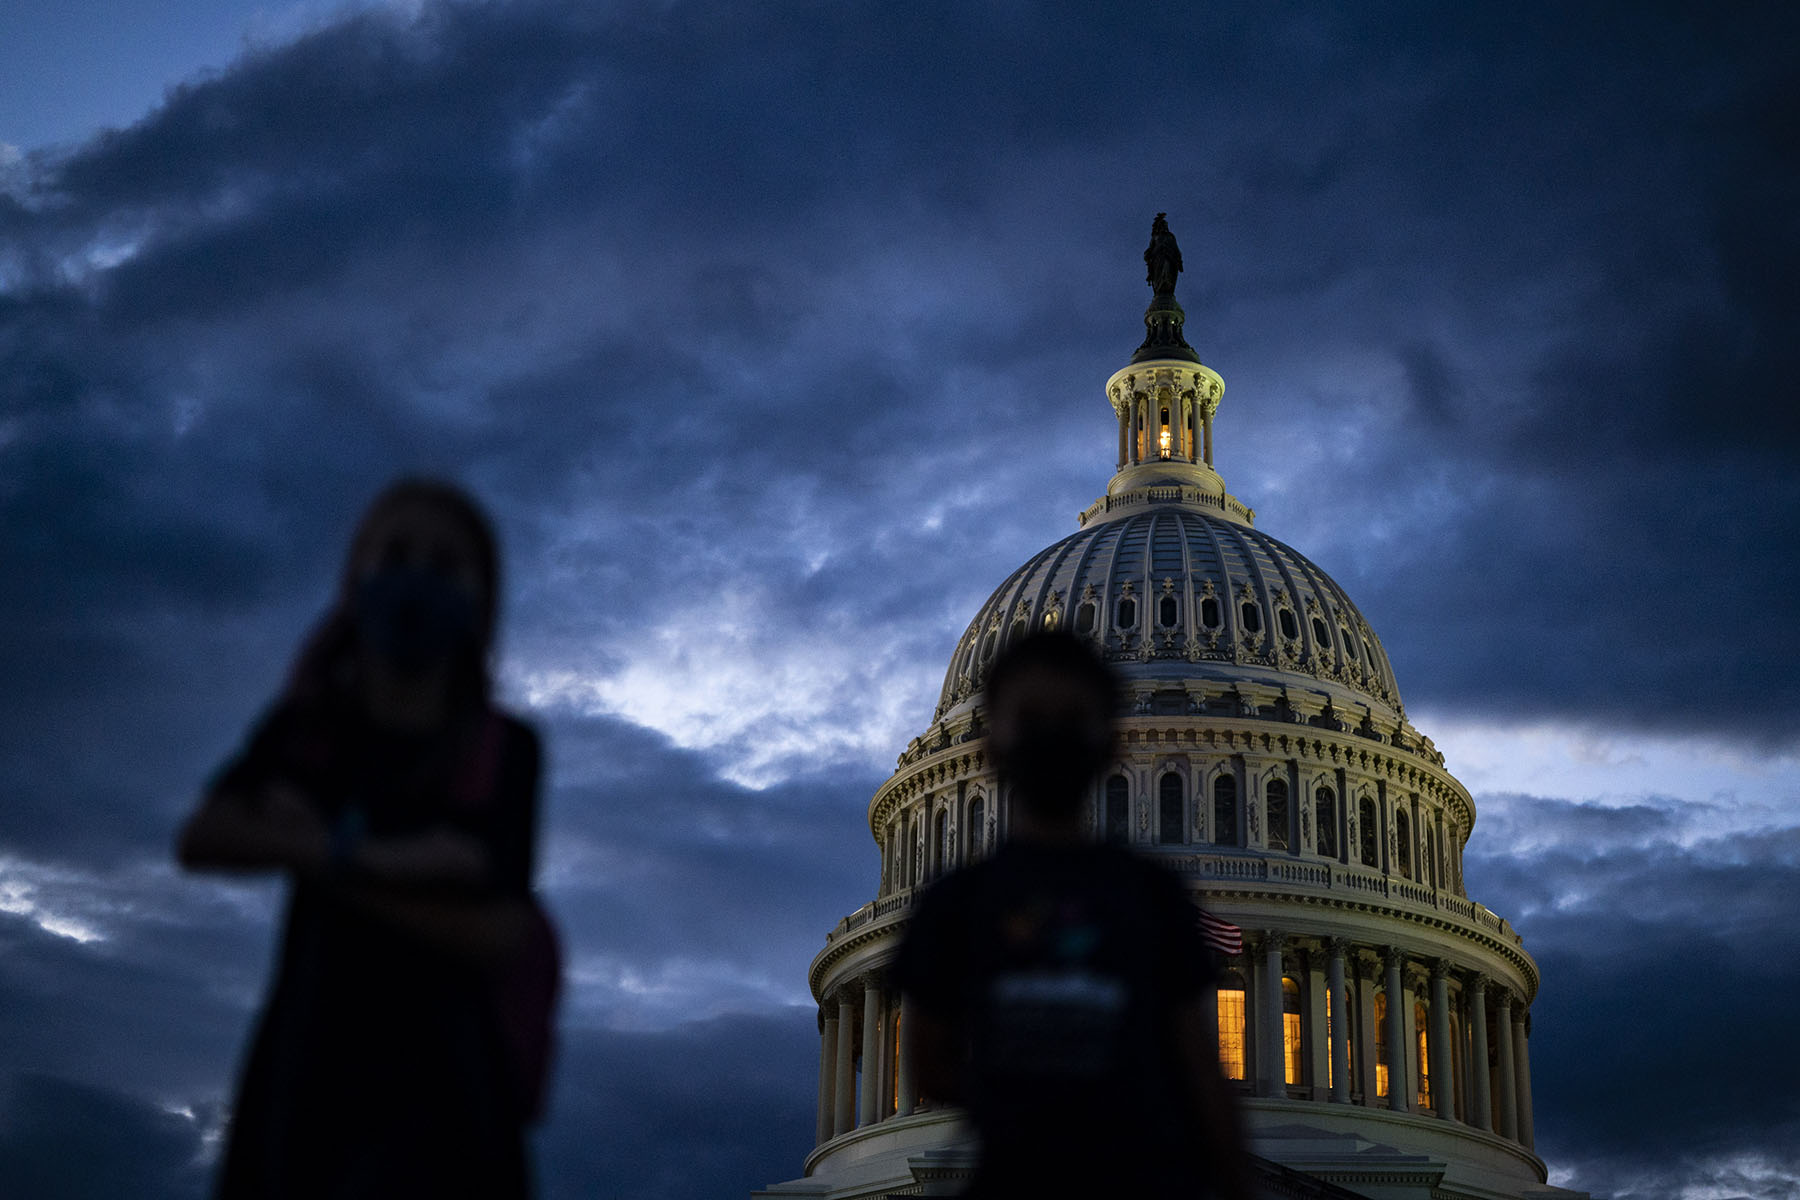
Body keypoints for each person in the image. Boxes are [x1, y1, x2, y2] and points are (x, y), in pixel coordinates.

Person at [178, 479, 545, 1200]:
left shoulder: (504, 748)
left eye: (446, 564)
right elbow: (202, 835)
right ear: (355, 581)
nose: (417, 576)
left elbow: (504, 931)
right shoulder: (311, 728)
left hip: (449, 1095)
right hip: (309, 1068)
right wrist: (402, 865)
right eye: (397, 552)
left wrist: (320, 853)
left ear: (482, 600)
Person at [892, 631, 1250, 1200]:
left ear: (1109, 744)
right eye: (1031, 718)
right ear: (992, 745)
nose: (1050, 738)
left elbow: (1201, 1072)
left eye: (1070, 718)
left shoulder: (1152, 898)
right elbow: (928, 1064)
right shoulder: (955, 906)